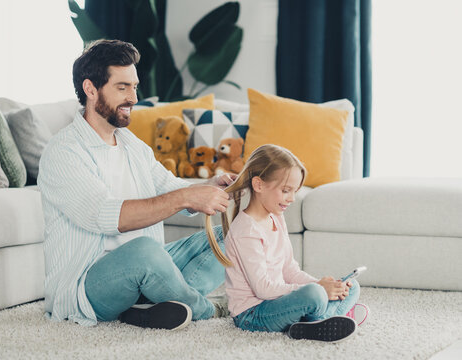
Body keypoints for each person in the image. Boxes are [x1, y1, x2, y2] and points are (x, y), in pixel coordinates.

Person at [37, 39, 235, 330]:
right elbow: (107, 216)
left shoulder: (132, 144)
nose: (133, 97)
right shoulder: (64, 152)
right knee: (144, 252)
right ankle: (207, 309)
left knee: (235, 233)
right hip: (88, 285)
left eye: (134, 86)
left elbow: (168, 186)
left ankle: (153, 305)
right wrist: (185, 198)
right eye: (122, 87)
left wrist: (211, 186)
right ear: (91, 89)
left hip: (149, 265)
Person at [205, 144, 369, 342]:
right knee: (315, 294)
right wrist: (318, 288)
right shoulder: (246, 231)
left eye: (294, 191)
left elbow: (290, 270)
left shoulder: (276, 217)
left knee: (351, 286)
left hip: (277, 302)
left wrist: (326, 285)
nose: (291, 198)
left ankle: (319, 321)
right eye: (285, 190)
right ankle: (328, 318)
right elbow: (263, 289)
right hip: (253, 315)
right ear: (258, 185)